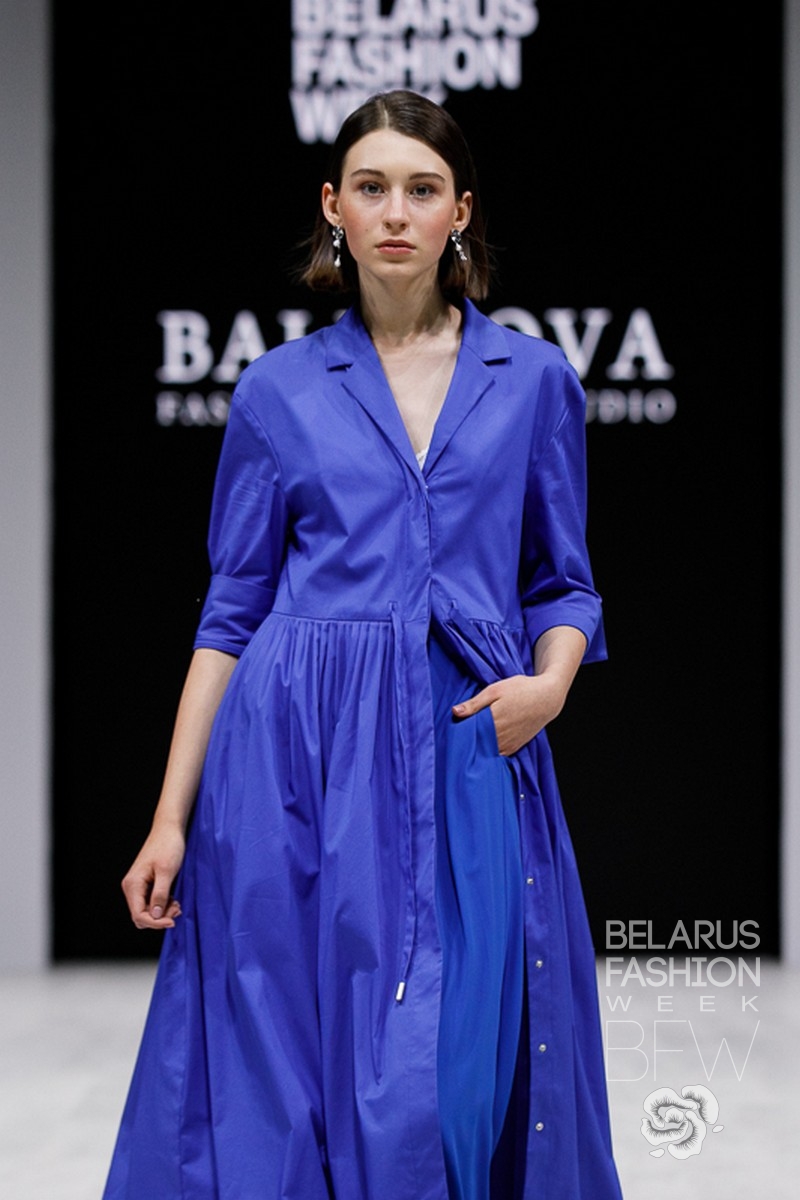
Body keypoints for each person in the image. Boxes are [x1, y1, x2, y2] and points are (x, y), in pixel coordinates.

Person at [103, 89, 624, 1200]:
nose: (396, 212)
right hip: (292, 762)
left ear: (459, 212)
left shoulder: (534, 380)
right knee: (288, 1062)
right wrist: (169, 818)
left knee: (455, 1065)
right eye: (372, 188)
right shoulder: (277, 390)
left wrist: (549, 688)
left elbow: (562, 583)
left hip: (468, 743)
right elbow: (230, 613)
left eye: (422, 190)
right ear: (333, 207)